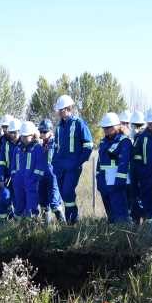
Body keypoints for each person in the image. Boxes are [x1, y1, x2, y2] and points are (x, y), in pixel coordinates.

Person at [52, 95, 94, 223]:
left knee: (68, 192)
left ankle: (72, 221)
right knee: (64, 195)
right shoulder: (59, 127)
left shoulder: (79, 123)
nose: (59, 112)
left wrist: (77, 163)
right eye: (59, 110)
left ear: (69, 108)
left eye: (62, 109)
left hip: (72, 167)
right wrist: (55, 162)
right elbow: (56, 147)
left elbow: (88, 146)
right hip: (60, 167)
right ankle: (69, 222)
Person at [96, 113, 131, 223]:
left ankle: (122, 235)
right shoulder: (103, 141)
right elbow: (99, 161)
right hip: (104, 182)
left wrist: (120, 181)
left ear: (117, 126)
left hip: (117, 182)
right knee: (110, 214)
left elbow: (123, 163)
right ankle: (112, 235)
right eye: (104, 128)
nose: (105, 130)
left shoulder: (124, 141)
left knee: (120, 214)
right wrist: (98, 177)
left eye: (108, 128)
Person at [11, 121, 43, 218]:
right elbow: (13, 166)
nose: (24, 138)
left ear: (33, 135)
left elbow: (40, 167)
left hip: (32, 184)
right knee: (19, 206)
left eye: (26, 136)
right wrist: (14, 177)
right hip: (19, 183)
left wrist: (34, 179)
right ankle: (18, 226)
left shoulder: (37, 148)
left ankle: (31, 227)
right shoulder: (17, 149)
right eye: (23, 136)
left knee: (31, 206)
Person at [37, 118, 65, 223]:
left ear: (50, 131)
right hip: (42, 177)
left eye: (45, 131)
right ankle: (46, 229)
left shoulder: (56, 143)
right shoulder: (40, 144)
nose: (42, 134)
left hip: (53, 177)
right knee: (43, 203)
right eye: (41, 131)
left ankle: (64, 227)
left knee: (55, 203)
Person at [0, 117, 20, 219]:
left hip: (20, 179)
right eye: (3, 127)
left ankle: (19, 224)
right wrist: (1, 178)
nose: (5, 130)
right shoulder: (4, 143)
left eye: (6, 127)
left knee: (19, 201)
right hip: (7, 178)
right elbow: (1, 162)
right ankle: (0, 223)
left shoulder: (24, 144)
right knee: (4, 197)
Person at [128, 110, 146, 222]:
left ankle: (141, 221)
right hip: (135, 175)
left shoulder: (141, 138)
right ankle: (136, 222)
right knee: (135, 200)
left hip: (141, 175)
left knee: (140, 200)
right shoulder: (137, 138)